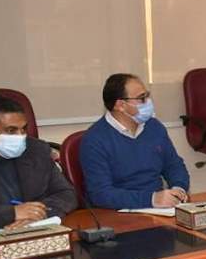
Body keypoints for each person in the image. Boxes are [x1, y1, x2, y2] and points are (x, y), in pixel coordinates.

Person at [80, 73, 190, 209]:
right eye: (142, 98)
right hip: (118, 212)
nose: (148, 102)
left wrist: (179, 189)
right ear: (120, 105)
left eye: (147, 96)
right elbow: (101, 194)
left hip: (160, 209)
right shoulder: (94, 140)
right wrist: (151, 199)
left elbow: (174, 165)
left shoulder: (154, 127)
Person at [0, 95, 77, 230]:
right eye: (11, 130)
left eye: (24, 129)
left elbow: (66, 194)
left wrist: (36, 214)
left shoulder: (37, 150)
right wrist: (12, 214)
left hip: (36, 229)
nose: (20, 136)